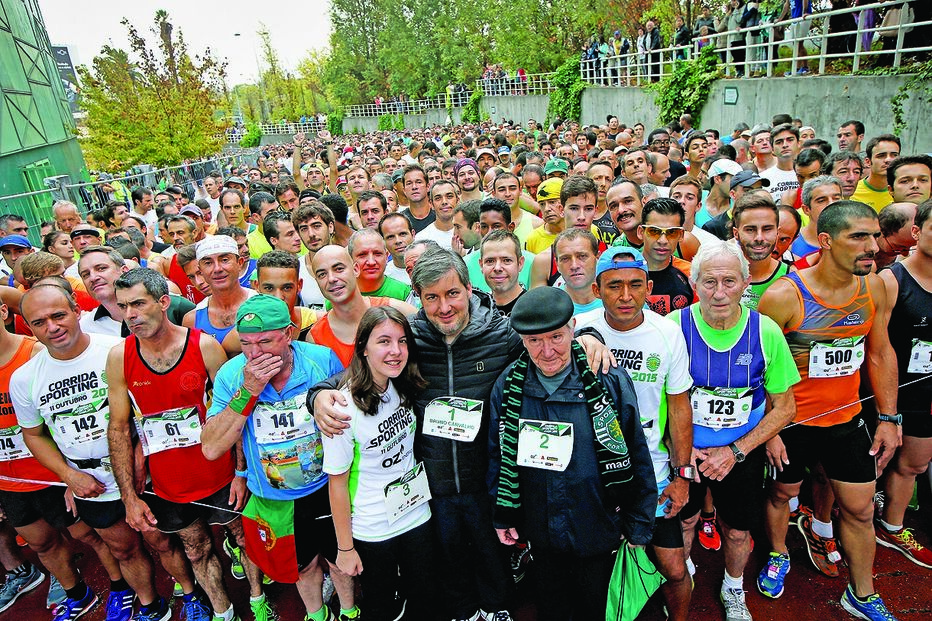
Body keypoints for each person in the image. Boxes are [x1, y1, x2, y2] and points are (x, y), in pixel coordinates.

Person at [757, 201, 901, 620]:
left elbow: (879, 352)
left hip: (846, 420)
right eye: (858, 237)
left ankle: (861, 592)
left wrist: (889, 419)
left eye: (873, 235)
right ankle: (780, 552)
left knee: (858, 508)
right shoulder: (784, 296)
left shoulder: (873, 287)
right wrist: (772, 430)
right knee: (783, 493)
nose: (871, 246)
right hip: (793, 422)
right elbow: (761, 370)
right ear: (825, 241)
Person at [11, 284, 180, 621]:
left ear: (77, 310)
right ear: (29, 328)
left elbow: (154, 408)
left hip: (144, 471)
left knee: (163, 541)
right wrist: (68, 475)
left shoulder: (118, 350)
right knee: (123, 548)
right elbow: (33, 435)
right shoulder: (24, 378)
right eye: (40, 322)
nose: (52, 327)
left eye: (58, 315)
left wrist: (140, 454)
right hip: (92, 483)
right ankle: (149, 604)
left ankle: (190, 592)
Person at [488, 286, 656, 621]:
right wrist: (503, 515)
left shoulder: (607, 382)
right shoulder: (509, 387)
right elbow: (497, 455)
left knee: (595, 608)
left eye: (556, 337)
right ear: (522, 340)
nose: (547, 351)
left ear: (573, 329)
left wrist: (638, 525)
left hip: (598, 526)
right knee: (551, 608)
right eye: (535, 341)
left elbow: (637, 452)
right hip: (541, 532)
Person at [106, 267, 265, 621]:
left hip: (221, 473)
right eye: (122, 307)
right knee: (195, 550)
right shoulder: (120, 357)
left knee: (245, 539)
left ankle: (257, 599)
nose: (129, 315)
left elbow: (235, 413)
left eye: (138, 304)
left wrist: (241, 472)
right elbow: (118, 428)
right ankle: (223, 612)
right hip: (169, 483)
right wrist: (129, 497)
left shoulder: (203, 346)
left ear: (163, 302)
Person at [201, 295, 358, 621]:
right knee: (302, 565)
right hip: (276, 497)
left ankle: (348, 610)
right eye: (246, 343)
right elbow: (212, 447)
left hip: (327, 488)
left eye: (265, 341)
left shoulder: (321, 359)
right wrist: (249, 391)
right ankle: (316, 615)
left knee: (338, 559)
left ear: (288, 333)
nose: (255, 353)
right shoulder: (233, 375)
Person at [670, 239, 800, 621]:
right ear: (695, 284)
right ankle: (683, 579)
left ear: (746, 283)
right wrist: (678, 446)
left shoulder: (767, 332)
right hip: (686, 451)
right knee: (685, 520)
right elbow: (657, 398)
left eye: (729, 281)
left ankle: (732, 587)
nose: (720, 292)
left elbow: (786, 407)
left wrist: (738, 451)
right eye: (709, 282)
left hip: (740, 450)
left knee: (738, 530)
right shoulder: (673, 328)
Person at [575, 246, 695, 621]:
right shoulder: (579, 329)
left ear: (648, 288)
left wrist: (682, 476)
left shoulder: (668, 334)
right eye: (614, 286)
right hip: (595, 475)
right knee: (595, 568)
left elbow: (679, 408)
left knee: (675, 568)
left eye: (635, 285)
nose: (625, 296)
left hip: (652, 472)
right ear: (596, 289)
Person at [322, 306, 440, 620]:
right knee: (380, 604)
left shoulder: (401, 384)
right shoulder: (343, 408)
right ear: (362, 347)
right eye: (384, 341)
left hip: (416, 511)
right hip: (373, 526)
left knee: (426, 596)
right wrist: (345, 548)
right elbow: (337, 484)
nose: (396, 351)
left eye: (402, 342)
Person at [875, 199, 932, 569]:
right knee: (871, 466)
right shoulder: (891, 280)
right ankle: (840, 528)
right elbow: (876, 346)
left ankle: (893, 527)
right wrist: (887, 411)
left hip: (927, 397)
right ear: (917, 232)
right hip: (888, 393)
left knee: (914, 463)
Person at [480, 230, 526, 316]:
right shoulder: (477, 310)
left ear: (520, 263)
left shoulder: (534, 309)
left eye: (506, 260)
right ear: (481, 265)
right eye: (490, 261)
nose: (497, 268)